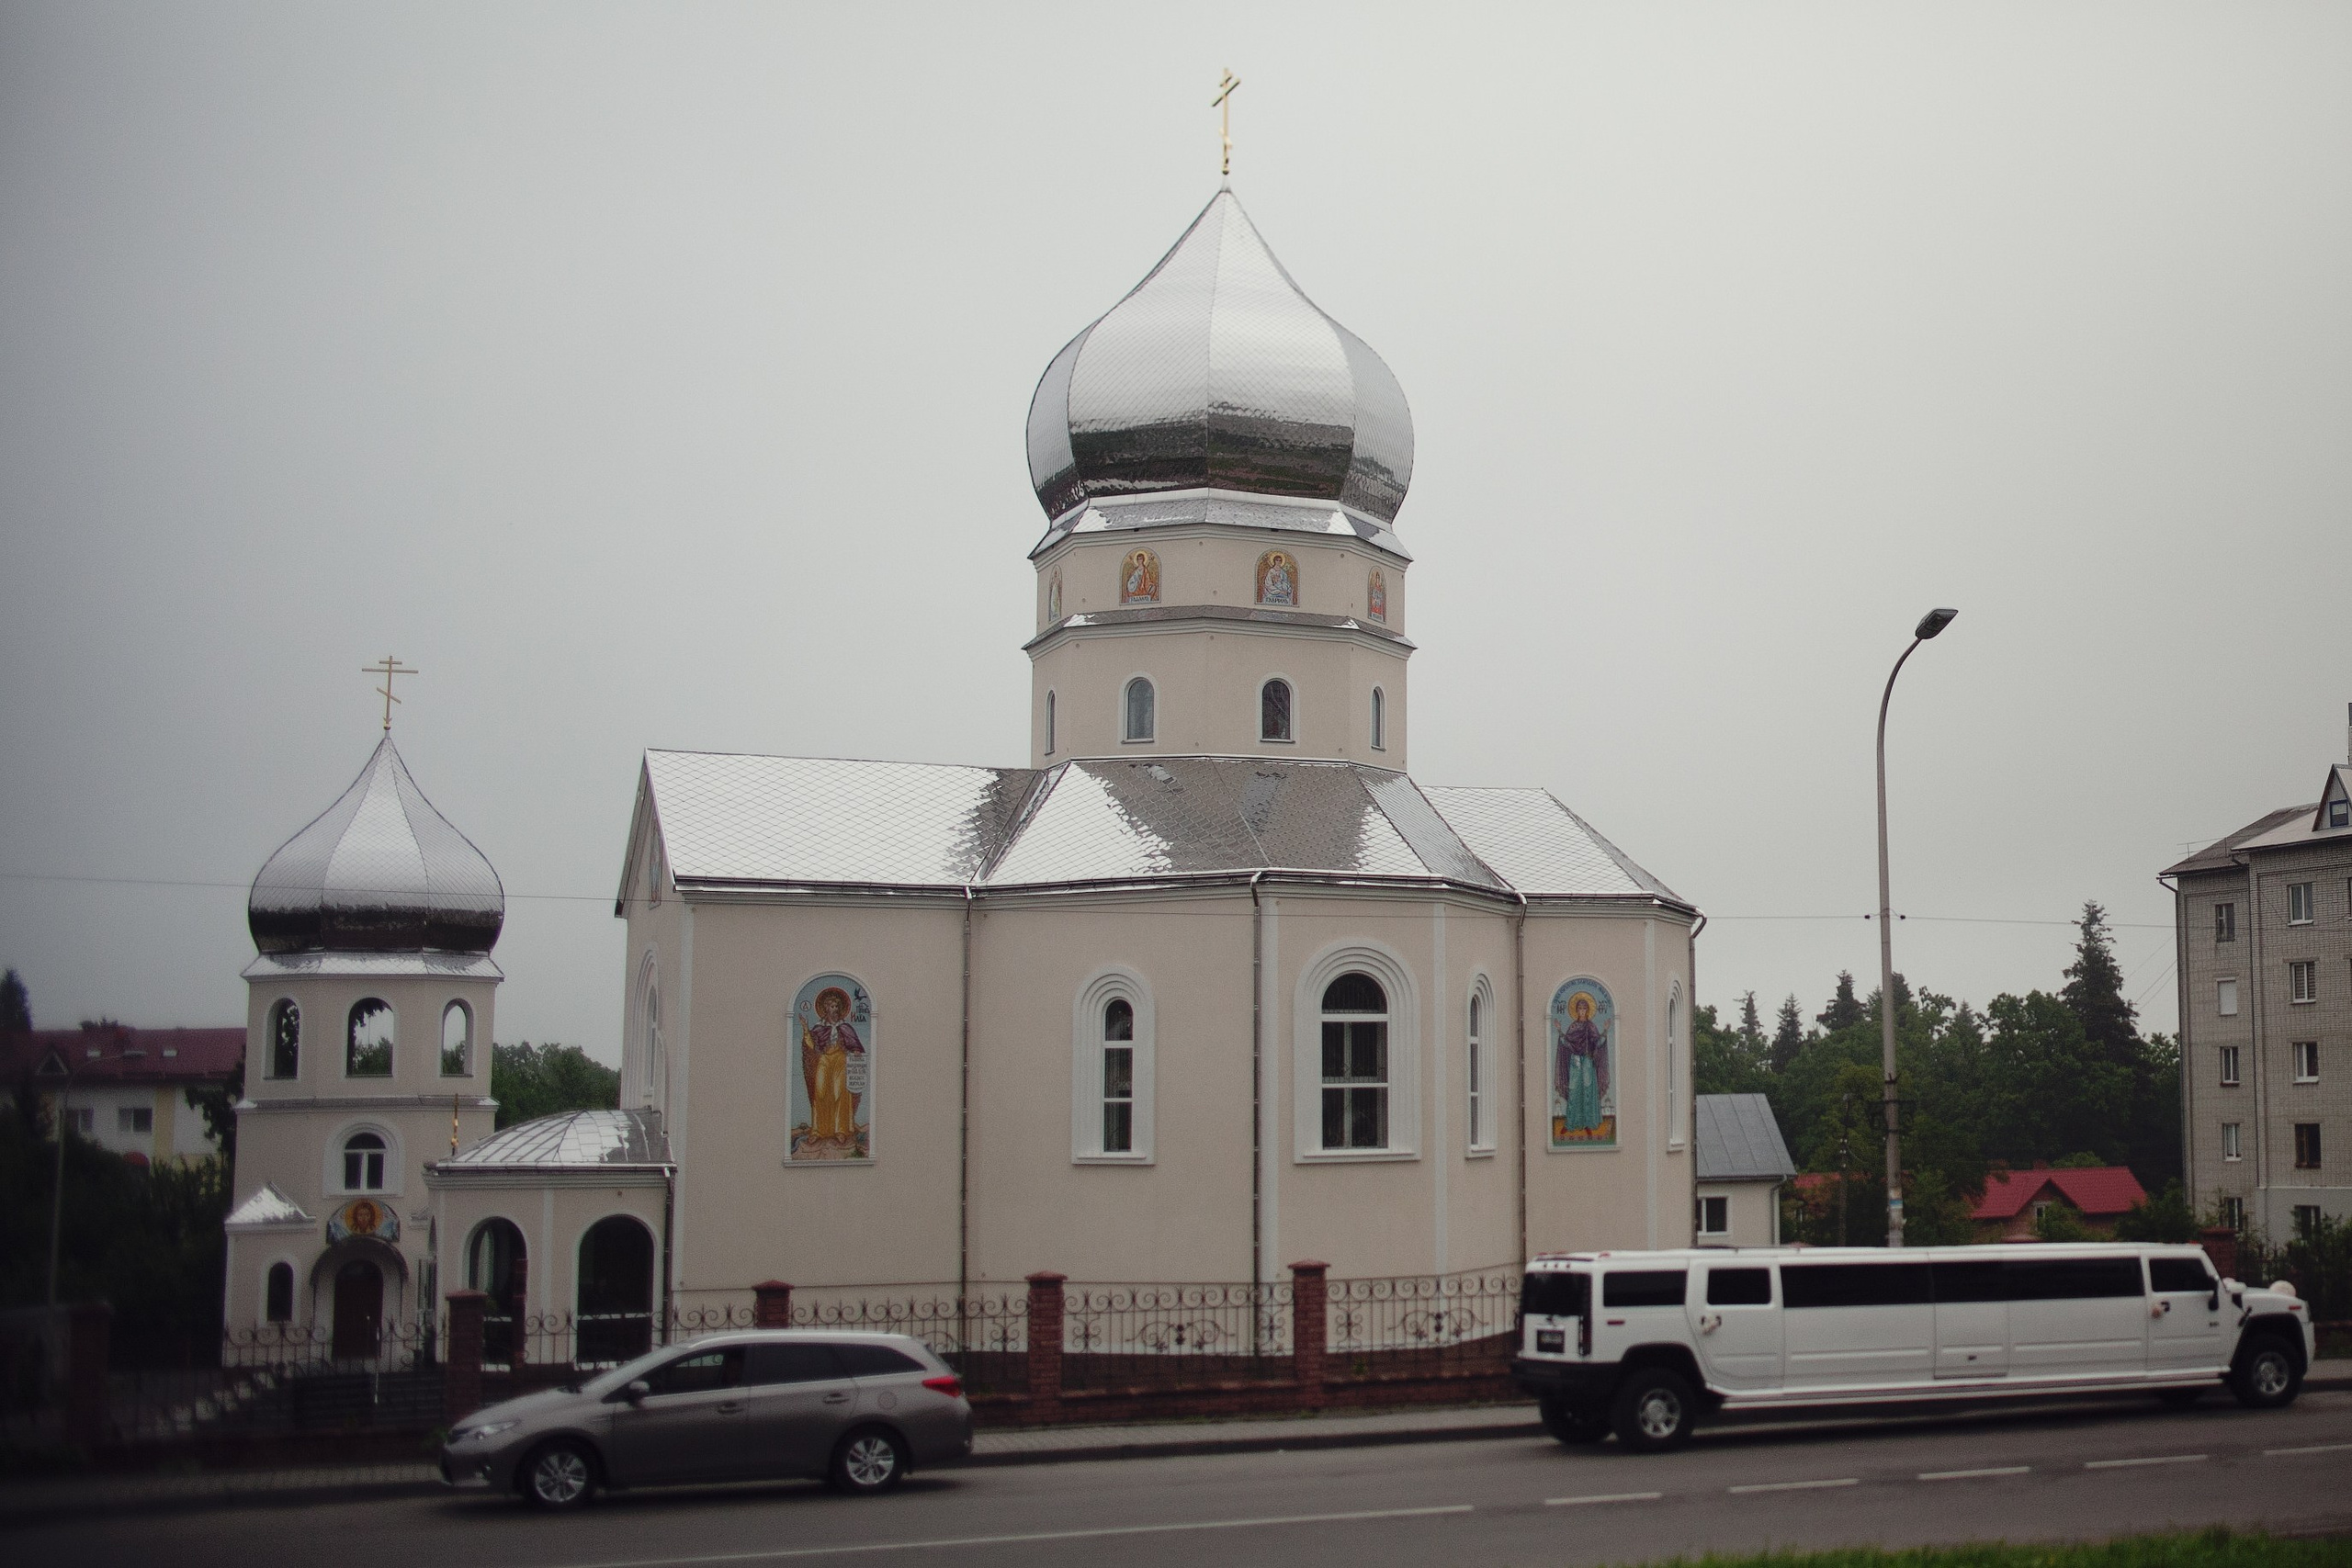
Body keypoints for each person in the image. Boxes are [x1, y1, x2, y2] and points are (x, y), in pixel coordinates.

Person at [800, 987, 865, 1151]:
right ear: (825, 1009)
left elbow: (854, 1044)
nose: (834, 1010)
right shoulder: (819, 1027)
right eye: (831, 1007)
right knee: (820, 1092)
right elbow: (811, 1046)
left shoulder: (845, 1027)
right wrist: (806, 1030)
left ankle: (840, 1130)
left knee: (839, 1093)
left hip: (840, 1060)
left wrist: (856, 1050)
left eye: (837, 1007)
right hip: (824, 1060)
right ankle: (818, 1131)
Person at [1555, 992, 1608, 1134]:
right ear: (1577, 1010)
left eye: (1585, 1009)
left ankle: (1588, 1123)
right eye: (1580, 1009)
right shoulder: (1573, 1027)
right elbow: (1567, 1042)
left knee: (1588, 1091)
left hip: (1587, 1062)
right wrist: (1560, 1031)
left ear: (1588, 1010)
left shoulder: (1591, 1027)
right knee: (1573, 1091)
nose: (1582, 1011)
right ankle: (1571, 1123)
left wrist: (1605, 1031)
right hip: (1575, 1061)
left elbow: (1597, 1042)